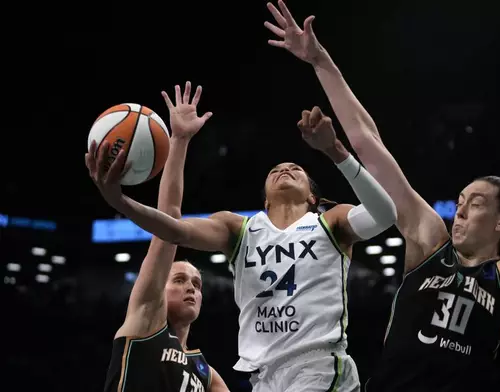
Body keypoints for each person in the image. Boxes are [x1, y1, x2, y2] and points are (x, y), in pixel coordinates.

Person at [265, 2, 500, 390]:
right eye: (461, 202)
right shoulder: (429, 241)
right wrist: (319, 60)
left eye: (475, 204)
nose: (460, 213)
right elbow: (368, 143)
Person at [87, 93, 398, 390]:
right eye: (277, 169)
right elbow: (173, 229)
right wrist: (121, 202)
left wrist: (335, 151)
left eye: (296, 169)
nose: (286, 169)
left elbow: (384, 214)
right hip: (264, 376)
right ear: (264, 200)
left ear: (313, 197)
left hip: (317, 367)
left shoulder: (331, 222)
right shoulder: (238, 229)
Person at [94, 82, 229, 392]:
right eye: (179, 280)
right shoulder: (146, 323)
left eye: (196, 283)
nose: (191, 289)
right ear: (157, 286)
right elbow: (170, 215)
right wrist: (179, 140)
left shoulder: (203, 371)